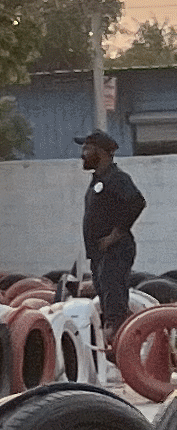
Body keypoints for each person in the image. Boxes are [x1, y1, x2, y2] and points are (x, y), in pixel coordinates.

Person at [79, 130, 148, 357]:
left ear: (101, 152)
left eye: (87, 149)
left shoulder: (116, 178)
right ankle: (121, 349)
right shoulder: (99, 180)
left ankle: (123, 354)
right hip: (100, 255)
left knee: (114, 305)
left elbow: (137, 202)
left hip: (115, 251)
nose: (83, 155)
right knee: (109, 303)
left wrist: (114, 236)